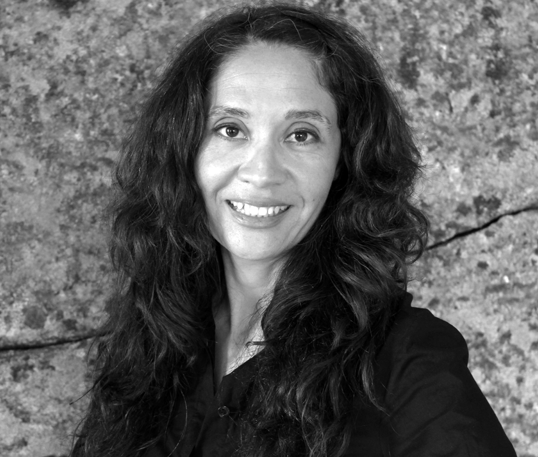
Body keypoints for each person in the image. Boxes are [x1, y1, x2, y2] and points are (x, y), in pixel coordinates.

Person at [71, 4, 517, 457]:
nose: (262, 173)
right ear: (184, 146)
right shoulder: (151, 336)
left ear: (344, 160)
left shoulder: (408, 361)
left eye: (301, 135)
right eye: (230, 129)